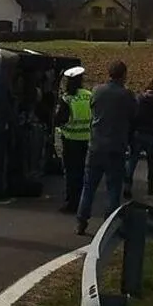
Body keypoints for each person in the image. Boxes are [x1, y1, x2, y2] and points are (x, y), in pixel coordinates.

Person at [75, 60, 137, 236]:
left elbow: (93, 109)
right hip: (116, 147)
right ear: (123, 75)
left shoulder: (97, 91)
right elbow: (134, 115)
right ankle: (108, 227)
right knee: (113, 189)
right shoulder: (127, 95)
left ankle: (81, 220)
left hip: (96, 145)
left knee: (89, 186)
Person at [53, 65, 91, 214]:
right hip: (86, 140)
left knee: (70, 173)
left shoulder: (67, 99)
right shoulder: (89, 95)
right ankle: (82, 201)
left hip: (70, 141)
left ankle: (71, 203)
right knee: (83, 172)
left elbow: (59, 119)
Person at [124, 78, 153, 199]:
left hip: (137, 133)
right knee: (152, 163)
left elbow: (132, 116)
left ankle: (127, 186)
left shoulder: (139, 99)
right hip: (151, 134)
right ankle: (151, 186)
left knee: (132, 161)